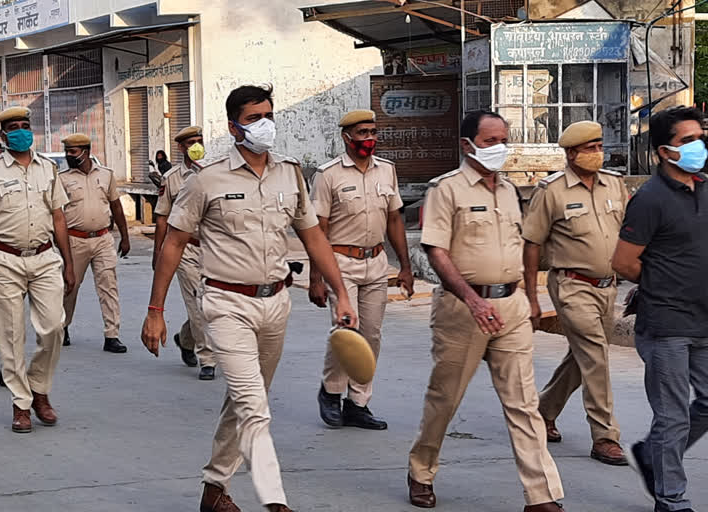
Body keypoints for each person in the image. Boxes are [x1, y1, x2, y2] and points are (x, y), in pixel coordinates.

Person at [141, 84, 357, 512]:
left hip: (275, 303)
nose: (264, 125)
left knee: (244, 400)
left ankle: (214, 486)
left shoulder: (289, 172)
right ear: (233, 126)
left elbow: (313, 235)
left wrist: (342, 293)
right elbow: (174, 241)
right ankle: (274, 500)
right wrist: (155, 311)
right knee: (255, 407)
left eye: (268, 115)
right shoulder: (208, 179)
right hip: (226, 305)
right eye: (254, 118)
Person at [407, 111, 564, 511]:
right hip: (463, 309)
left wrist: (530, 297)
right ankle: (421, 469)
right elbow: (436, 251)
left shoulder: (511, 191)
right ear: (467, 145)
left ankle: (541, 495)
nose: (500, 148)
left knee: (524, 404)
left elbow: (524, 246)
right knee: (445, 398)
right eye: (490, 141)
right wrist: (472, 300)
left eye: (503, 140)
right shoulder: (447, 190)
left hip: (510, 307)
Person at [612, 106, 708, 512]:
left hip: (704, 320)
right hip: (665, 324)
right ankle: (671, 498)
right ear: (664, 151)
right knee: (672, 416)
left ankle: (653, 454)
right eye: (688, 140)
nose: (698, 145)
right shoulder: (649, 199)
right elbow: (623, 262)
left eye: (701, 136)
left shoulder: (705, 187)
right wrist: (661, 286)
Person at [0, 106, 75, 434]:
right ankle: (21, 404)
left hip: (44, 258)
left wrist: (69, 264)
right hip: (2, 260)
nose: (22, 131)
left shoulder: (48, 169)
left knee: (54, 326)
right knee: (10, 335)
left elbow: (58, 217)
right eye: (15, 127)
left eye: (26, 125)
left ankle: (40, 388)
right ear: (4, 135)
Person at [522, 121, 629, 466]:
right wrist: (530, 296)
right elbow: (532, 243)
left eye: (600, 146)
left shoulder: (614, 184)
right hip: (571, 285)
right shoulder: (551, 191)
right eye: (591, 148)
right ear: (572, 153)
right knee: (595, 356)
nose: (598, 153)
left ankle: (544, 410)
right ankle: (605, 436)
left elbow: (628, 233)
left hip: (608, 286)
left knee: (584, 355)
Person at [310, 109, 414, 430]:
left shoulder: (387, 171)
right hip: (340, 264)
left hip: (377, 263)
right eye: (362, 133)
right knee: (347, 332)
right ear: (346, 138)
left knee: (371, 336)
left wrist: (406, 267)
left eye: (372, 132)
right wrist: (316, 278)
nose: (369, 139)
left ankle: (358, 402)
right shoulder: (328, 175)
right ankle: (331, 391)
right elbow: (318, 229)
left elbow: (395, 220)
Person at [152, 125, 215, 379]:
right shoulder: (172, 178)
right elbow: (162, 218)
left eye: (200, 141)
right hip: (185, 248)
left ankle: (186, 339)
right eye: (191, 142)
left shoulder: (213, 174)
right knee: (197, 303)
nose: (196, 146)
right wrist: (158, 252)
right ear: (181, 147)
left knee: (212, 304)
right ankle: (208, 359)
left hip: (212, 249)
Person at [59, 133, 130, 353]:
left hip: (102, 238)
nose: (68, 156)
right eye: (67, 152)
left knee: (108, 286)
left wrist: (125, 237)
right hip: (74, 240)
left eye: (72, 152)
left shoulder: (106, 175)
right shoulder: (61, 179)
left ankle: (112, 334)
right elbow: (57, 215)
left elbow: (116, 206)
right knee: (70, 286)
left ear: (86, 152)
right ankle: (63, 326)